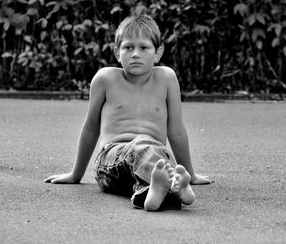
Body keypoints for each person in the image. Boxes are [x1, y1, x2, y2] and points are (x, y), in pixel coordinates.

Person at [45, 14, 211, 211]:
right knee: (144, 146)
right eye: (128, 47)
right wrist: (75, 175)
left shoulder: (167, 78)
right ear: (117, 52)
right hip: (111, 163)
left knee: (158, 158)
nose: (135, 54)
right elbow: (91, 128)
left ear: (157, 53)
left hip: (155, 158)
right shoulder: (105, 79)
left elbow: (176, 131)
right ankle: (169, 185)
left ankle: (158, 190)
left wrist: (190, 173)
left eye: (143, 48)